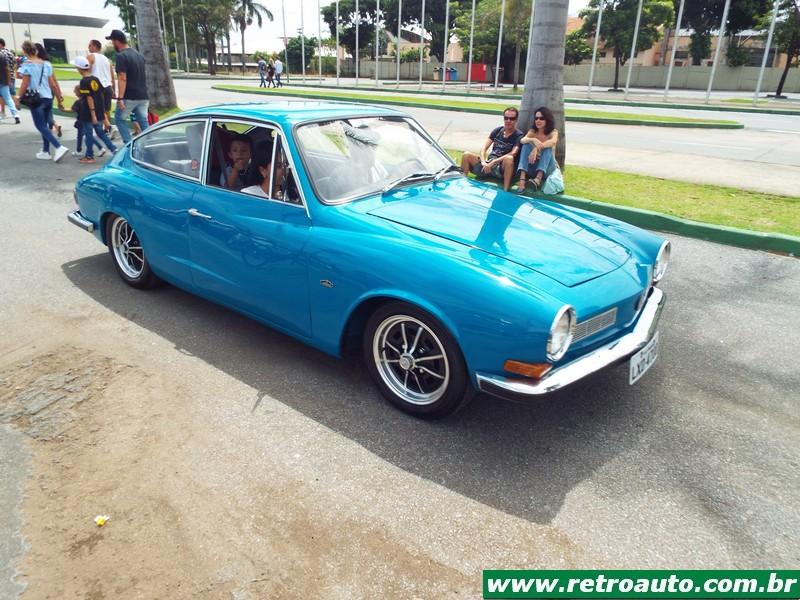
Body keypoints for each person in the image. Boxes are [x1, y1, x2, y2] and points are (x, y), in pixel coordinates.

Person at [15, 40, 68, 162]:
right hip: (48, 97)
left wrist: (18, 97)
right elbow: (52, 84)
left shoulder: (27, 64)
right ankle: (45, 151)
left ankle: (58, 147)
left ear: (25, 51)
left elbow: (25, 82)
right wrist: (59, 99)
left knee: (40, 125)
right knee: (44, 125)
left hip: (36, 98)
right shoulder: (46, 64)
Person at [460, 107, 523, 191]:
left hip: (500, 168)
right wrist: (483, 162)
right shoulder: (498, 130)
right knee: (466, 155)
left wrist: (494, 162)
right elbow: (484, 148)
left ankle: (505, 190)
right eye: (506, 118)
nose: (508, 121)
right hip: (488, 165)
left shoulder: (518, 135)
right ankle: (462, 184)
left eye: (512, 119)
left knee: (509, 158)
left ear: (516, 120)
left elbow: (513, 153)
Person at [72, 56, 117, 164]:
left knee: (88, 133)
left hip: (88, 112)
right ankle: (113, 149)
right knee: (100, 132)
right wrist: (101, 111)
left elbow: (89, 98)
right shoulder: (95, 79)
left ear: (79, 68)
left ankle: (89, 155)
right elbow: (100, 95)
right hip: (99, 110)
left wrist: (93, 114)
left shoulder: (84, 81)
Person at [106, 29, 149, 143]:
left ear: (116, 41)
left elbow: (122, 78)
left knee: (119, 119)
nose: (112, 44)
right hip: (143, 95)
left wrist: (120, 98)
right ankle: (149, 143)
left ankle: (129, 145)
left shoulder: (121, 56)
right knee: (143, 121)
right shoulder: (139, 55)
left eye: (112, 41)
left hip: (129, 95)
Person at [515, 106, 559, 192]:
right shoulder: (533, 131)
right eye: (536, 118)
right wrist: (533, 140)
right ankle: (522, 179)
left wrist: (536, 148)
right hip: (533, 168)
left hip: (547, 169)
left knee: (547, 148)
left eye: (541, 118)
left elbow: (553, 142)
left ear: (547, 120)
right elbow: (522, 140)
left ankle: (538, 179)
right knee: (526, 145)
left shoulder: (553, 132)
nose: (538, 121)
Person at [87, 39, 116, 137]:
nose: (89, 47)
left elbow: (87, 71)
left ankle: (107, 128)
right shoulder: (107, 60)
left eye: (90, 45)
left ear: (95, 46)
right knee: (106, 110)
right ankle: (107, 130)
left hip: (97, 87)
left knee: (98, 109)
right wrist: (114, 89)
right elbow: (112, 76)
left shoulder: (91, 56)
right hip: (108, 86)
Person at [34, 43, 62, 138]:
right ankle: (51, 128)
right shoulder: (48, 64)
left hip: (41, 92)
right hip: (51, 91)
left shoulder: (34, 64)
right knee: (48, 110)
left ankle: (54, 125)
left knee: (43, 113)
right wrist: (59, 93)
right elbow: (54, 80)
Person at [70, 85, 104, 157]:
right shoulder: (86, 101)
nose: (74, 92)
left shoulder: (78, 102)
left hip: (81, 120)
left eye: (75, 91)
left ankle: (79, 150)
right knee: (87, 135)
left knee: (82, 136)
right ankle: (99, 148)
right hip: (88, 119)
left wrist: (62, 109)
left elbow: (72, 110)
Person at [0, 38, 20, 123]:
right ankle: (16, 114)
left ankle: (3, 112)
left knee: (2, 97)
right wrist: (9, 79)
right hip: (7, 78)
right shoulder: (9, 53)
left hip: (4, 78)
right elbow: (12, 65)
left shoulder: (2, 53)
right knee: (10, 96)